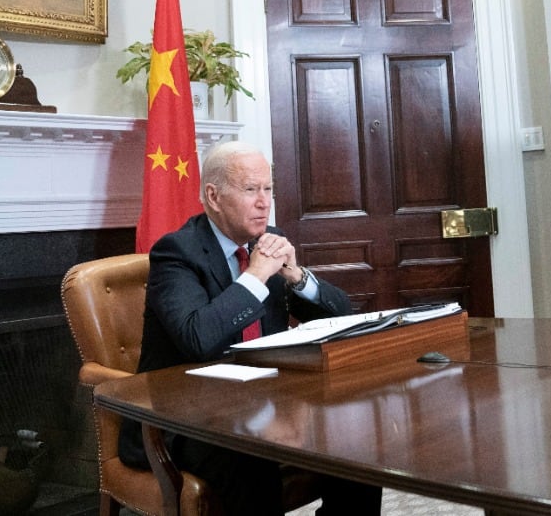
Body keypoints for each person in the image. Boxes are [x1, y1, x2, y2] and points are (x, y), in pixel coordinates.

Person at [119, 140, 381, 516]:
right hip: (184, 416)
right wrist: (257, 275)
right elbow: (198, 339)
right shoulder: (176, 252)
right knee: (248, 457)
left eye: (268, 189)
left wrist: (296, 276)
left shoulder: (266, 240)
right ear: (213, 196)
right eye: (250, 190)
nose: (264, 202)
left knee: (356, 436)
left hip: (264, 399)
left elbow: (340, 313)